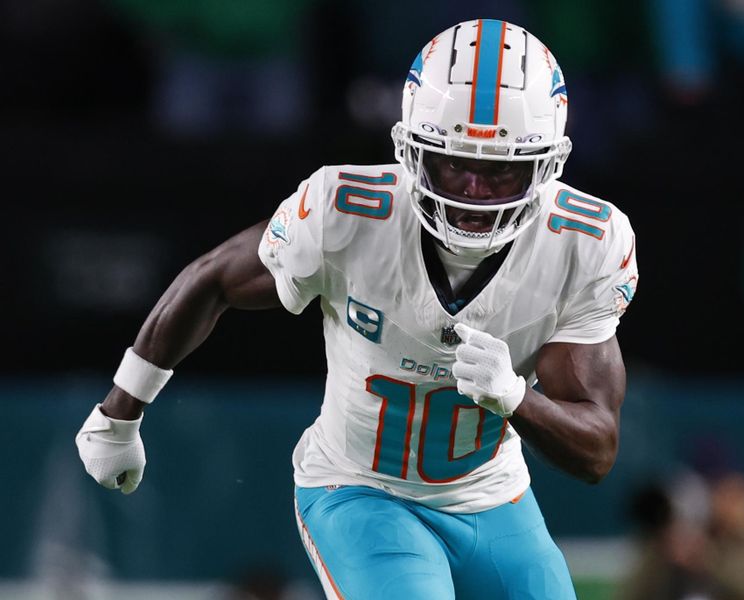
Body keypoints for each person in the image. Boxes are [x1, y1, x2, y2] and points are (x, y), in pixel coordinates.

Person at [76, 19, 638, 599]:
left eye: (500, 170)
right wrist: (119, 411)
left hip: (493, 498)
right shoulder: (345, 213)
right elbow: (214, 278)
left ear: (548, 164)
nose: (471, 191)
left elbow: (597, 450)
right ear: (411, 149)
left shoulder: (583, 243)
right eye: (451, 163)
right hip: (361, 489)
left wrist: (518, 400)